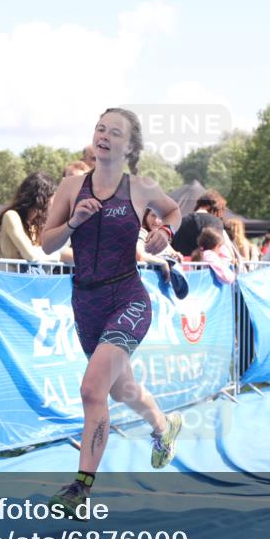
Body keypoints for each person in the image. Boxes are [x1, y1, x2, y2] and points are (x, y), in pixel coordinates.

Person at [41, 108, 183, 516]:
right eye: (100, 128)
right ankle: (164, 426)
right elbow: (47, 244)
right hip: (86, 303)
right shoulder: (71, 187)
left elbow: (172, 211)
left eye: (114, 132)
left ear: (129, 145)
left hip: (129, 299)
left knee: (92, 390)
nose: (103, 136)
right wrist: (73, 223)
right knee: (122, 390)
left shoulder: (140, 187)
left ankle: (80, 488)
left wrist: (164, 232)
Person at [171, 189, 227, 257]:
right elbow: (219, 249)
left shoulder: (181, 221)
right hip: (206, 265)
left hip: (182, 265)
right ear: (216, 208)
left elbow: (173, 246)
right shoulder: (215, 222)